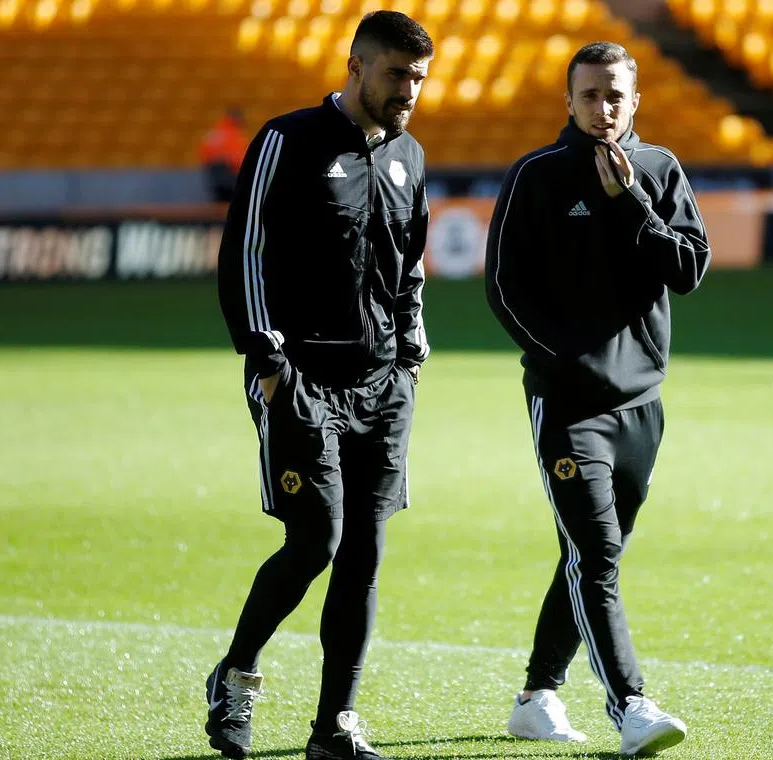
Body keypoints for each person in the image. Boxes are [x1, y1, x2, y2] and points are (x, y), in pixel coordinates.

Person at [205, 11, 433, 760]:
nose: (409, 91)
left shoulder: (411, 157)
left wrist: (411, 347)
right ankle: (235, 676)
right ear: (356, 65)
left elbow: (412, 259)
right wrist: (265, 360)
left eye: (419, 79)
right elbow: (241, 249)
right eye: (397, 74)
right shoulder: (287, 139)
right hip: (299, 378)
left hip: (382, 386)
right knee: (317, 539)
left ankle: (334, 725)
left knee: (364, 551)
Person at [484, 41, 711, 757]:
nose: (603, 108)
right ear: (569, 100)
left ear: (634, 99)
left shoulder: (660, 170)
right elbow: (501, 286)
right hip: (568, 404)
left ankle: (535, 696)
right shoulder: (536, 176)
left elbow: (689, 269)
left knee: (588, 556)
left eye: (615, 95)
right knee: (598, 552)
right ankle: (632, 706)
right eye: (589, 95)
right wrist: (559, 364)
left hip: (642, 403)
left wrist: (630, 203)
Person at [200, 107, 249, 203]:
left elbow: (205, 155)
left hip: (215, 180)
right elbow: (239, 160)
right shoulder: (236, 136)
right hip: (232, 178)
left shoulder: (214, 133)